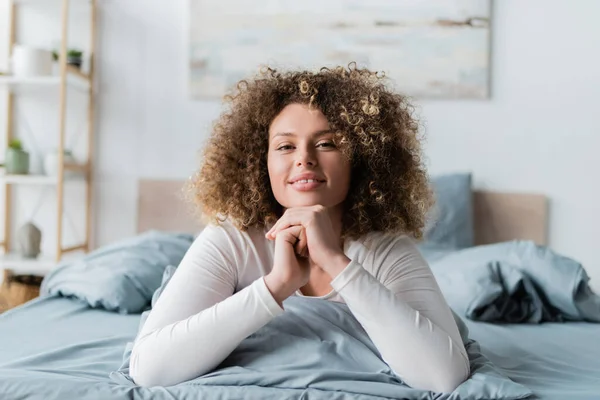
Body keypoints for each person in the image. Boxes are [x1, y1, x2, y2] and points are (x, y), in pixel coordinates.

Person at [129, 64, 470, 392]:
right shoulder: (232, 240)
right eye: (285, 146)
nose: (304, 158)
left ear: (361, 159)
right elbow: (150, 369)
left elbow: (444, 377)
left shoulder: (387, 251)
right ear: (261, 163)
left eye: (327, 143)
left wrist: (337, 262)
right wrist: (277, 285)